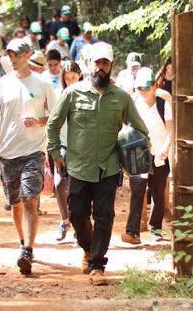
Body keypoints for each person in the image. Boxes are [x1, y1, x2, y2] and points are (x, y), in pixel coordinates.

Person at [46, 42, 148, 286]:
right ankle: (89, 248)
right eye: (96, 63)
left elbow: (140, 129)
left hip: (109, 167)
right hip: (78, 167)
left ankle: (96, 265)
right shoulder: (72, 93)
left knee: (104, 215)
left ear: (112, 66)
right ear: (88, 65)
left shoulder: (121, 98)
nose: (100, 68)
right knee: (78, 214)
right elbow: (53, 124)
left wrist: (134, 152)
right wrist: (55, 154)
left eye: (105, 63)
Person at [0, 38, 57, 275]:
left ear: (28, 55)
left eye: (16, 54)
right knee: (15, 204)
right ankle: (22, 242)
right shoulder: (1, 85)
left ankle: (27, 250)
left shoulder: (43, 85)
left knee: (30, 200)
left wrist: (38, 121)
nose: (12, 58)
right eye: (10, 55)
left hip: (34, 151)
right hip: (7, 153)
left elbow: (55, 116)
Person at [122, 68, 172, 245]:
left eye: (145, 87)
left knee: (158, 192)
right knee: (137, 190)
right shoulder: (134, 103)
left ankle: (155, 228)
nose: (142, 91)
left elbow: (170, 131)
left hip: (159, 152)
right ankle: (132, 231)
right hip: (138, 152)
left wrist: (165, 148)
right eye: (139, 88)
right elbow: (126, 126)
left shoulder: (163, 103)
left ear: (154, 86)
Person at [51, 60, 83, 241]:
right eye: (67, 78)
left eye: (74, 77)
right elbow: (52, 123)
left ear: (80, 76)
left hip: (82, 148)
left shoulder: (88, 94)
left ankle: (80, 225)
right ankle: (65, 221)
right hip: (62, 145)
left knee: (78, 189)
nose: (71, 81)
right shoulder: (58, 95)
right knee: (59, 184)